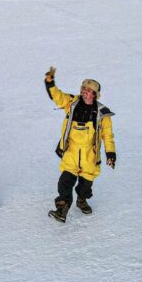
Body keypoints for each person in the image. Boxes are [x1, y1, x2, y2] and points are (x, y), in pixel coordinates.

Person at [44, 67, 116, 223]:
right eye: (83, 88)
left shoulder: (103, 113)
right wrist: (50, 83)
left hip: (89, 157)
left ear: (95, 94)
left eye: (89, 90)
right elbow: (57, 96)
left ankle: (81, 199)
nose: (84, 92)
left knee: (85, 187)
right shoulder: (71, 102)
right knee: (64, 183)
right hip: (71, 152)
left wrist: (110, 154)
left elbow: (108, 136)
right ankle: (61, 209)